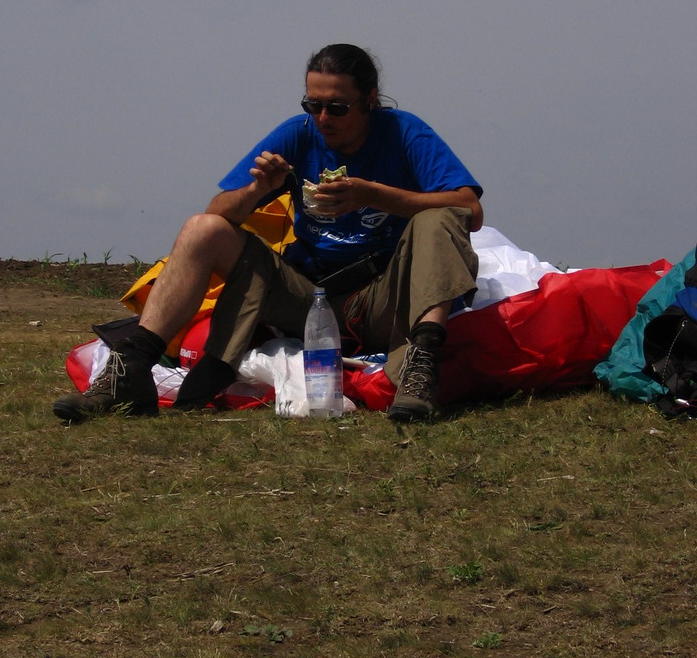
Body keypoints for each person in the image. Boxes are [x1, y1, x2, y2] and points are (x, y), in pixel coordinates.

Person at [53, 44, 483, 425]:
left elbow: (470, 208)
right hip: (309, 296)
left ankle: (420, 364)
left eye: (338, 107)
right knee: (202, 229)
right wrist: (258, 189)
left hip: (382, 296)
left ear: (370, 100)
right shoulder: (299, 133)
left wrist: (374, 195)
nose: (323, 118)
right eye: (313, 104)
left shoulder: (404, 132)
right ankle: (130, 370)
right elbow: (217, 213)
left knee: (439, 217)